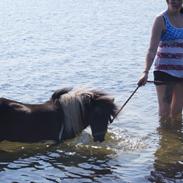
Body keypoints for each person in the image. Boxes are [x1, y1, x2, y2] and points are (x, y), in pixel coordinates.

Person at [138, 0, 183, 125]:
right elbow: (152, 49)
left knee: (177, 112)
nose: (175, 2)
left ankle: (172, 143)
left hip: (182, 73)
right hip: (164, 72)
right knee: (164, 113)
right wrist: (145, 72)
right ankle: (164, 137)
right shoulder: (161, 19)